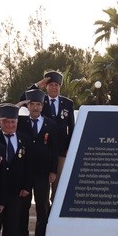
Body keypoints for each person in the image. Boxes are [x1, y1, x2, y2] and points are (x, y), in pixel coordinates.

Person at [18, 88, 61, 236]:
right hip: (24, 173)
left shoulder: (51, 125)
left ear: (42, 106)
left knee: (42, 207)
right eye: (32, 104)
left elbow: (54, 149)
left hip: (43, 173)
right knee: (23, 207)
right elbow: (7, 114)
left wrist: (53, 171)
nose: (35, 107)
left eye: (38, 104)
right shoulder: (20, 122)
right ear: (27, 106)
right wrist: (20, 103)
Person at [0, 104, 31, 236]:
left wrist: (26, 186)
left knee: (11, 226)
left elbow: (29, 165)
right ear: (1, 122)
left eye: (13, 122)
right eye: (7, 122)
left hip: (16, 191)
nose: (10, 125)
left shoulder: (24, 138)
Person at [34, 71, 75, 200]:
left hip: (61, 150)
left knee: (58, 182)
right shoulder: (40, 101)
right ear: (46, 86)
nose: (54, 87)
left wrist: (69, 147)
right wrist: (37, 85)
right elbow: (23, 98)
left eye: (56, 85)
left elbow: (72, 127)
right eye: (51, 85)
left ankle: (54, 209)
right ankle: (44, 209)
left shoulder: (67, 103)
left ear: (60, 87)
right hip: (43, 148)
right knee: (43, 183)